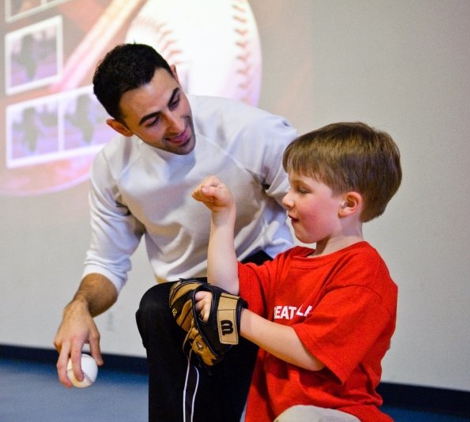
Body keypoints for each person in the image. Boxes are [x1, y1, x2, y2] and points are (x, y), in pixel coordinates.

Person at [53, 43, 297, 422]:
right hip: (189, 297)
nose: (177, 124)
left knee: (166, 310)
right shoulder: (113, 170)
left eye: (175, 100)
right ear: (121, 128)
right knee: (164, 309)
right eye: (151, 120)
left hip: (262, 275)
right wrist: (79, 307)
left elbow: (315, 210)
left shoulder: (252, 131)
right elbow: (107, 262)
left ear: (178, 78)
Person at [192, 122, 402, 422]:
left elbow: (311, 354)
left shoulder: (364, 272)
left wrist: (238, 318)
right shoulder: (290, 262)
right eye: (290, 187)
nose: (287, 199)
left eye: (302, 190)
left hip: (340, 415)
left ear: (348, 203)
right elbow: (226, 288)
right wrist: (222, 217)